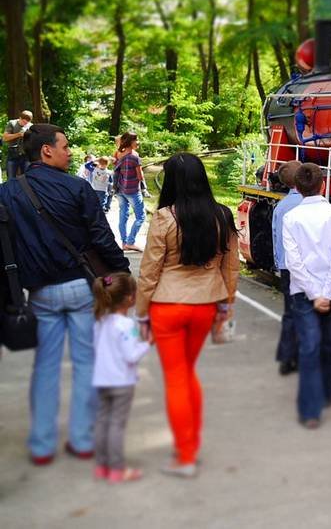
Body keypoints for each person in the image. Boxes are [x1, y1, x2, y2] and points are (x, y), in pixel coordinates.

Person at [0, 123, 130, 465]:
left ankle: (42, 445)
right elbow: (102, 237)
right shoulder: (77, 187)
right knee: (86, 363)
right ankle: (82, 440)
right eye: (65, 146)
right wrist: (122, 272)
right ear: (47, 150)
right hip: (82, 289)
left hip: (40, 293)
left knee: (45, 367)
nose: (69, 153)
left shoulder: (8, 193)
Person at [136, 152, 238, 478]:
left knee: (176, 378)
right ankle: (190, 444)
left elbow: (150, 270)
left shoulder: (164, 217)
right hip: (205, 305)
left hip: (167, 306)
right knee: (187, 372)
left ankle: (186, 455)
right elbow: (230, 267)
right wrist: (226, 305)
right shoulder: (222, 215)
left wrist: (141, 313)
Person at [281, 162, 331, 428]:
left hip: (303, 292)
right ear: (323, 184)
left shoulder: (291, 218)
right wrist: (327, 293)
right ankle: (329, 390)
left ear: (297, 188)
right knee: (329, 342)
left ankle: (310, 411)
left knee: (309, 347)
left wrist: (314, 294)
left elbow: (293, 262)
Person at [91, 273, 151, 483]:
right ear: (129, 298)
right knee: (116, 424)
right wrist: (148, 343)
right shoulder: (127, 325)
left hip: (102, 379)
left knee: (102, 421)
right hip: (122, 382)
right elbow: (131, 356)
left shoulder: (99, 322)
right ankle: (117, 469)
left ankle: (101, 466)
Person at [271, 161, 304, 375]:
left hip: (287, 267)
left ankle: (286, 358)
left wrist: (278, 263)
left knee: (289, 312)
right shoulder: (310, 205)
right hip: (308, 268)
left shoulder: (281, 207)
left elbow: (276, 236)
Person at [112, 133, 145, 251]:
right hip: (132, 190)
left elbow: (116, 169)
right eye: (136, 140)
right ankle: (130, 242)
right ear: (130, 142)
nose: (138, 142)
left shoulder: (118, 154)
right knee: (141, 217)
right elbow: (140, 177)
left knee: (123, 215)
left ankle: (124, 243)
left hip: (120, 189)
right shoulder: (134, 157)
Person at [3, 110, 34, 180]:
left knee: (26, 178)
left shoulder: (31, 126)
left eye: (27, 122)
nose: (25, 124)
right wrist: (19, 134)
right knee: (11, 178)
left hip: (25, 155)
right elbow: (5, 138)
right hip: (13, 154)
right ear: (20, 118)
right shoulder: (12, 123)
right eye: (24, 122)